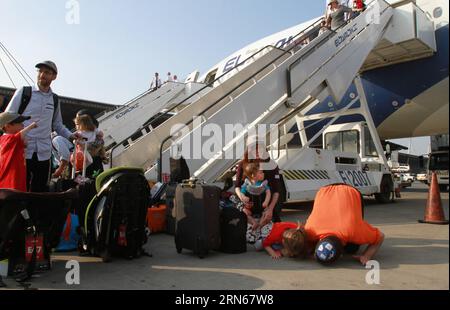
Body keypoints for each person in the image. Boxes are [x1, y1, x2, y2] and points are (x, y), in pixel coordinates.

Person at [5, 61, 79, 192]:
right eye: (40, 71)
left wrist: (71, 135)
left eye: (47, 72)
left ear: (54, 77)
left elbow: (57, 124)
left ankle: (36, 213)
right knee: (18, 190)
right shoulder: (24, 92)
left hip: (43, 153)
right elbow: (7, 118)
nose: (42, 75)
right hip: (22, 152)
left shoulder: (55, 99)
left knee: (40, 191)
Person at [302, 184, 385, 266]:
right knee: (351, 248)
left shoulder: (353, 231)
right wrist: (366, 256)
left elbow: (380, 236)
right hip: (324, 191)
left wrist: (366, 256)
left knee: (352, 249)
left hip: (347, 191)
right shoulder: (310, 230)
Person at [234, 135, 283, 226]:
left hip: (265, 206)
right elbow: (237, 186)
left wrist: (270, 209)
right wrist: (242, 200)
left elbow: (276, 191)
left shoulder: (272, 165)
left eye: (259, 148)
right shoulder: (242, 164)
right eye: (253, 148)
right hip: (247, 207)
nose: (256, 151)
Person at [0, 112, 38, 191]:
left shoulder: (5, 139)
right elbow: (18, 136)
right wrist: (31, 126)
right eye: (19, 123)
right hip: (10, 182)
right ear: (8, 126)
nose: (22, 125)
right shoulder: (9, 138)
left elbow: (22, 142)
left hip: (16, 179)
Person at [72, 112, 107, 178]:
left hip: (91, 158)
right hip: (85, 155)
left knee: (96, 175)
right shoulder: (80, 133)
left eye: (77, 124)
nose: (76, 126)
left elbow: (100, 141)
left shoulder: (94, 132)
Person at [240, 163, 271, 231]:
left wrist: (266, 201)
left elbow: (268, 193)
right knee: (244, 212)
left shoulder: (263, 184)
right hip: (250, 207)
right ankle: (254, 223)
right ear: (253, 175)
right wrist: (244, 197)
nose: (263, 174)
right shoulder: (247, 184)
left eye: (262, 172)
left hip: (261, 206)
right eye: (261, 173)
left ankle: (261, 224)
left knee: (266, 213)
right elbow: (241, 192)